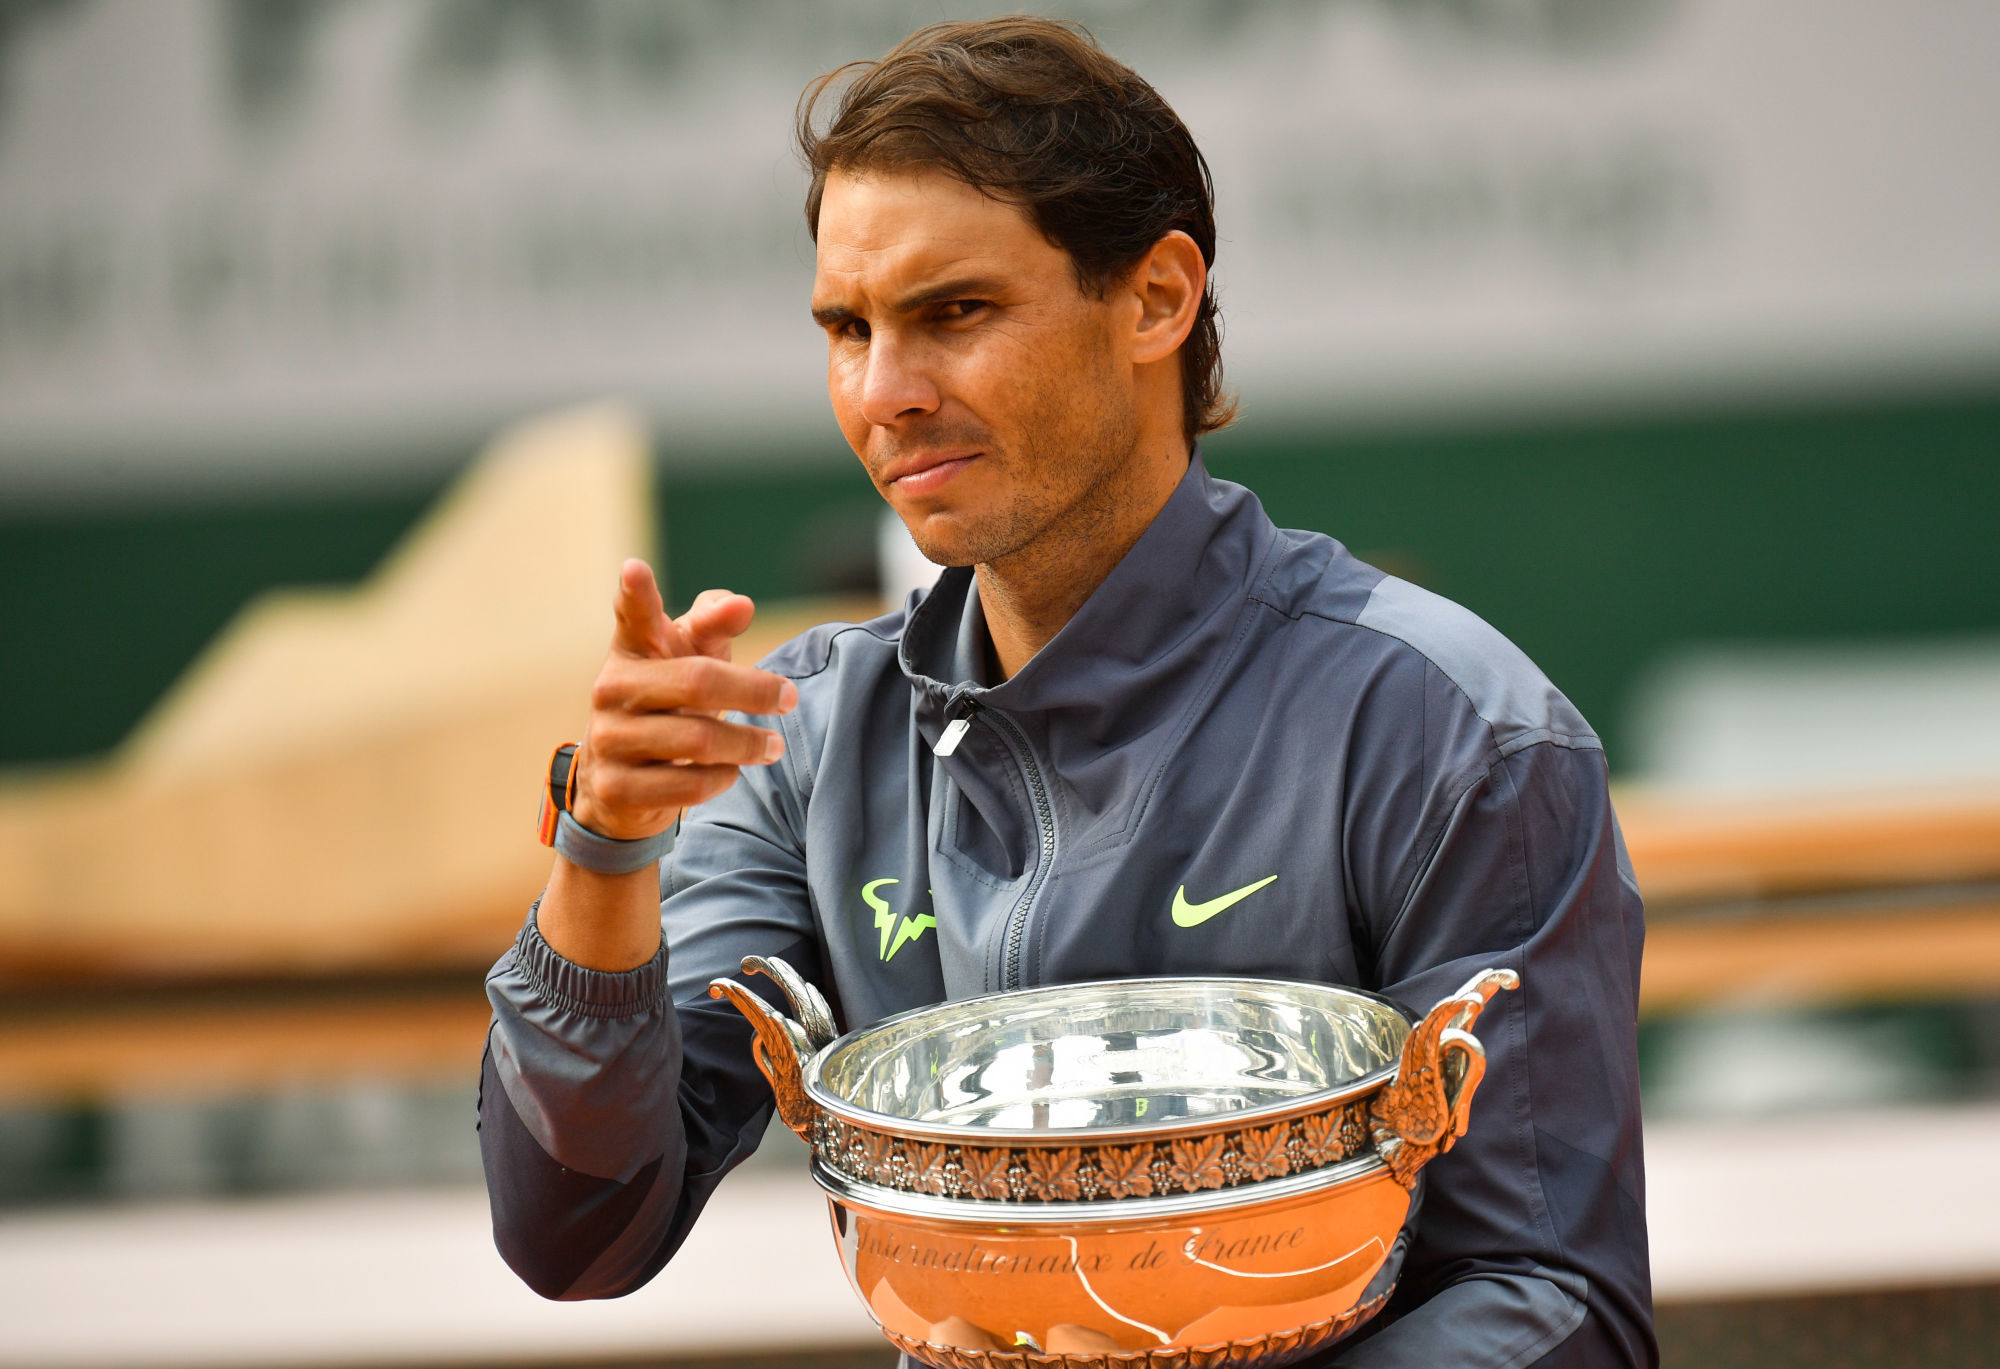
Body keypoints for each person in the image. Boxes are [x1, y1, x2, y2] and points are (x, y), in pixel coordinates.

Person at [480, 17, 1654, 1367]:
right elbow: (579, 1231)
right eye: (846, 328)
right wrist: (607, 854)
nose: (885, 392)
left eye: (954, 314)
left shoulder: (1448, 727)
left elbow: (1557, 1306)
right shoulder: (803, 736)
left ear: (1157, 298)